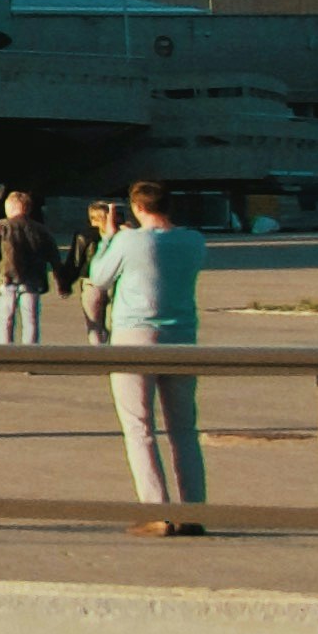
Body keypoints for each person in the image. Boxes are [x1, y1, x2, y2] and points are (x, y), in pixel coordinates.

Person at [77, 177, 212, 532]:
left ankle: (157, 512)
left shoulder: (128, 241)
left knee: (139, 427)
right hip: (182, 336)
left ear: (137, 207)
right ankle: (195, 512)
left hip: (134, 336)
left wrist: (109, 238)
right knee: (184, 428)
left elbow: (99, 277)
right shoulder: (194, 240)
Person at [0, 188, 60, 345]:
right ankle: (30, 353)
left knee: (6, 319)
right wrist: (61, 281)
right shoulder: (40, 229)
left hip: (7, 278)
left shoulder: (1, 226)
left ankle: (6, 353)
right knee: (31, 320)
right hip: (33, 281)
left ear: (10, 208)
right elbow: (54, 255)